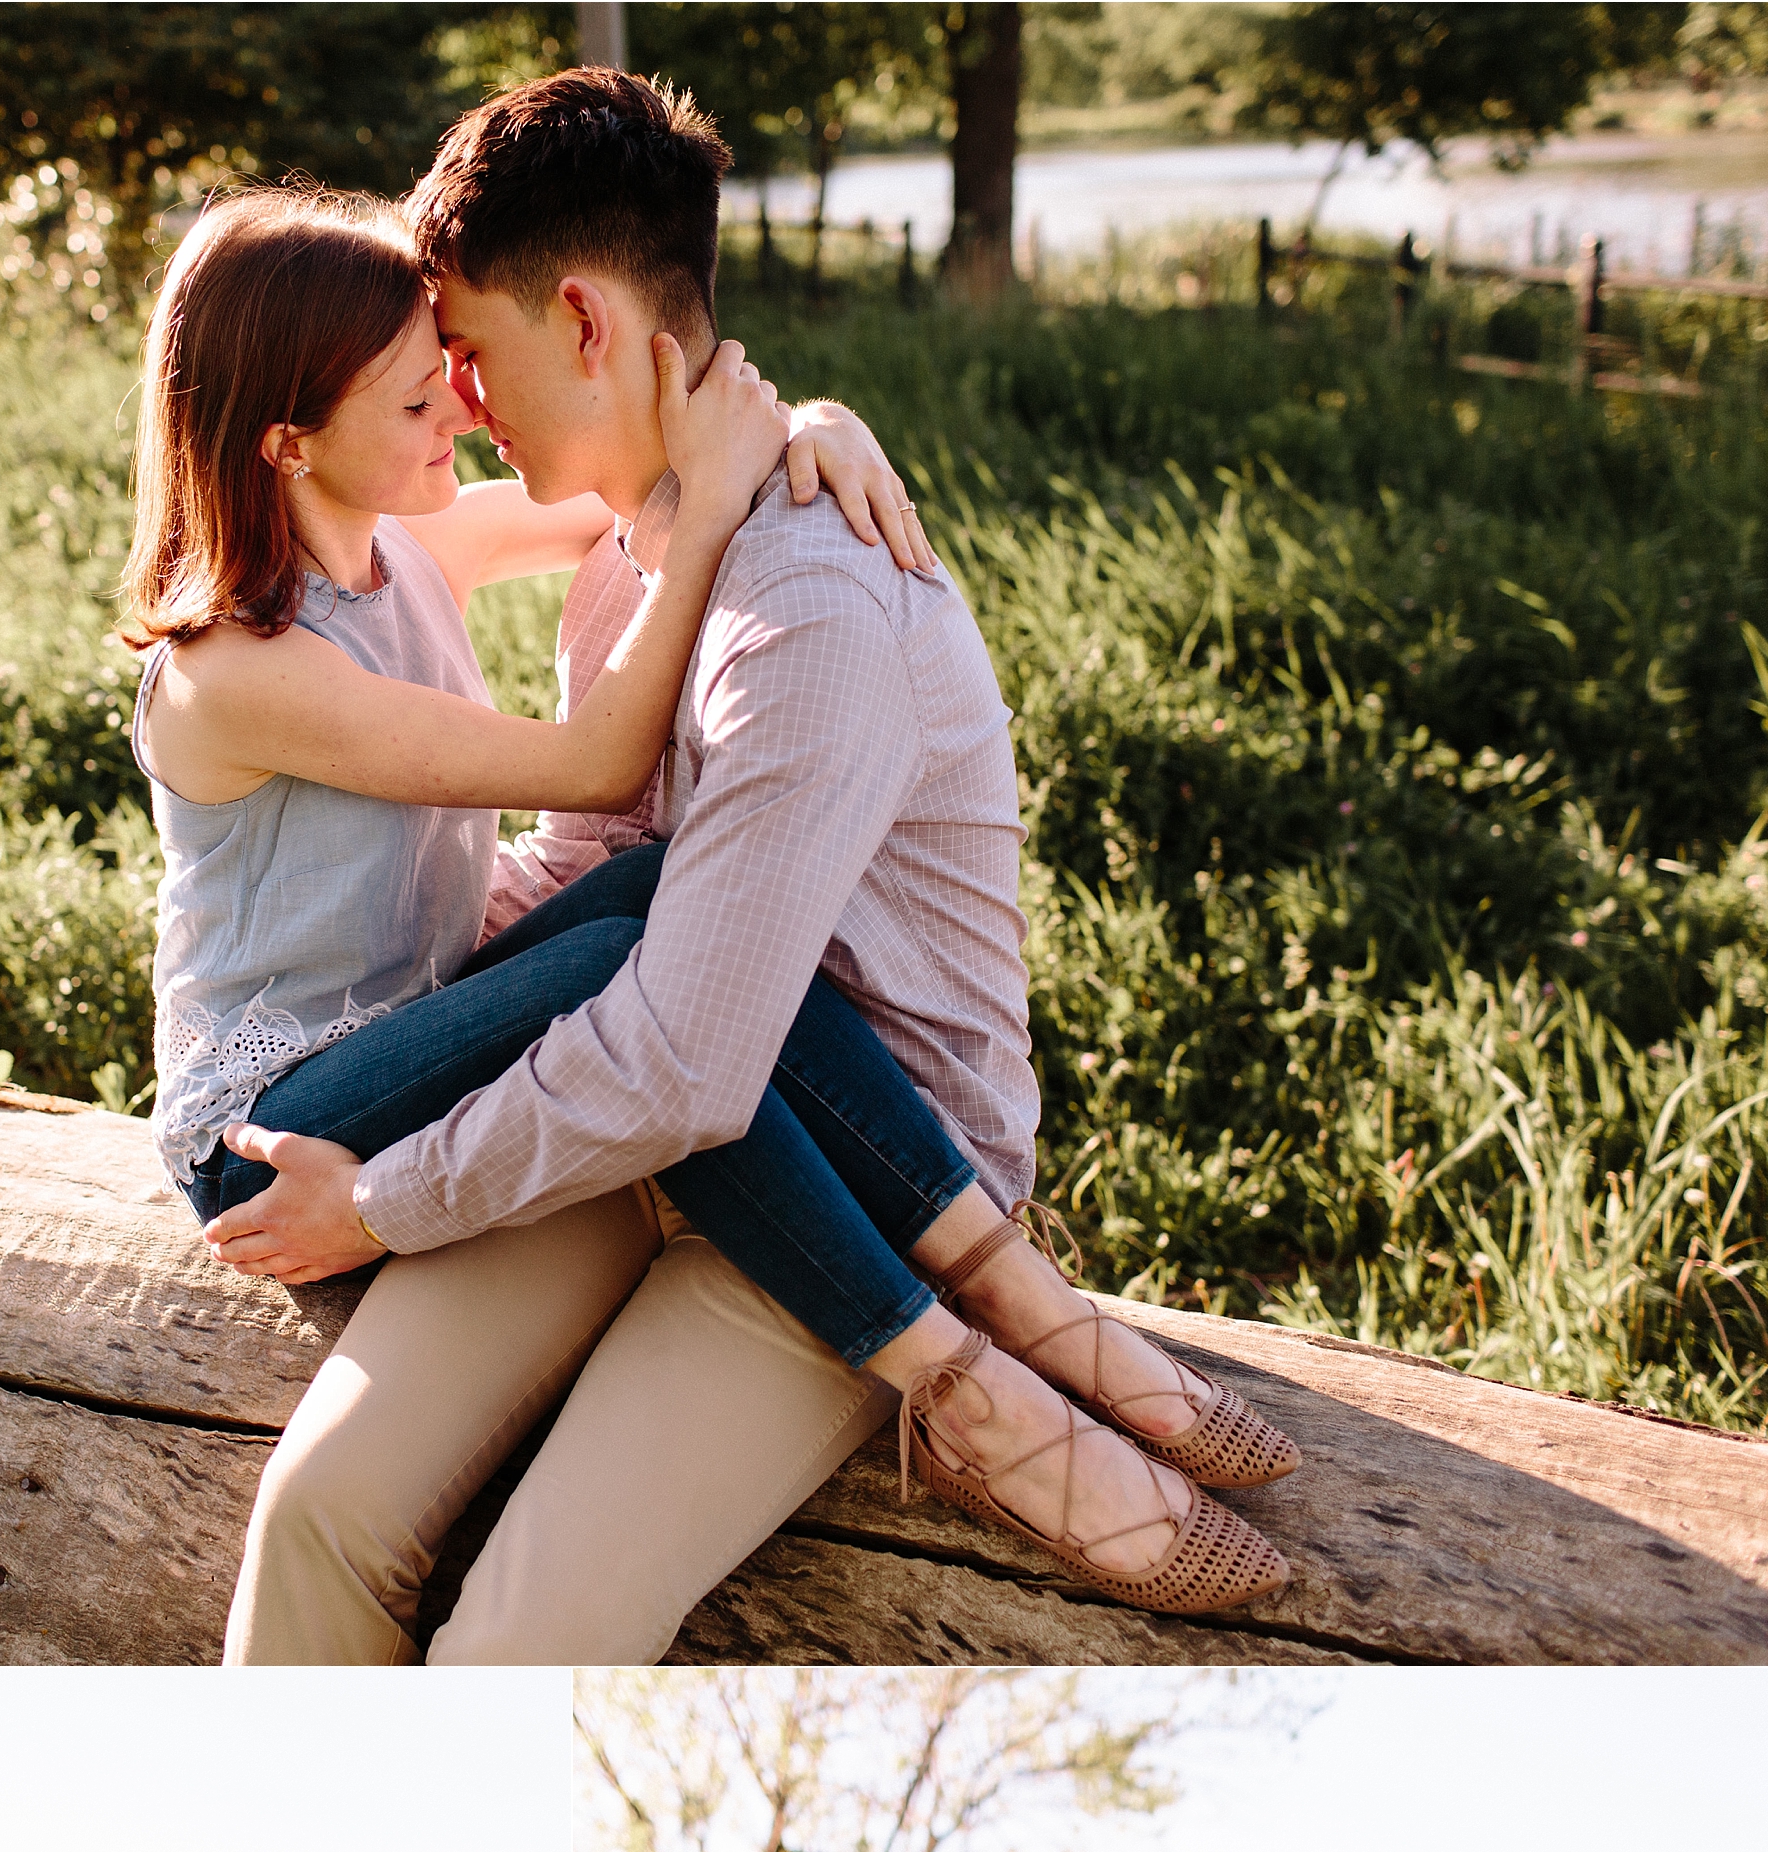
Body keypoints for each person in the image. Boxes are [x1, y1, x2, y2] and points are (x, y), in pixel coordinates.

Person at [206, 68, 1300, 1663]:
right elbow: (597, 866)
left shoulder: (807, 606)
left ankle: (994, 1380)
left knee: (522, 1634)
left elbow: (694, 1061)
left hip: (858, 1181)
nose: (461, 401)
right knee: (320, 1517)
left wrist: (384, 1197)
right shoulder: (640, 552)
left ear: (583, 320)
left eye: (471, 352)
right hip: (624, 1113)